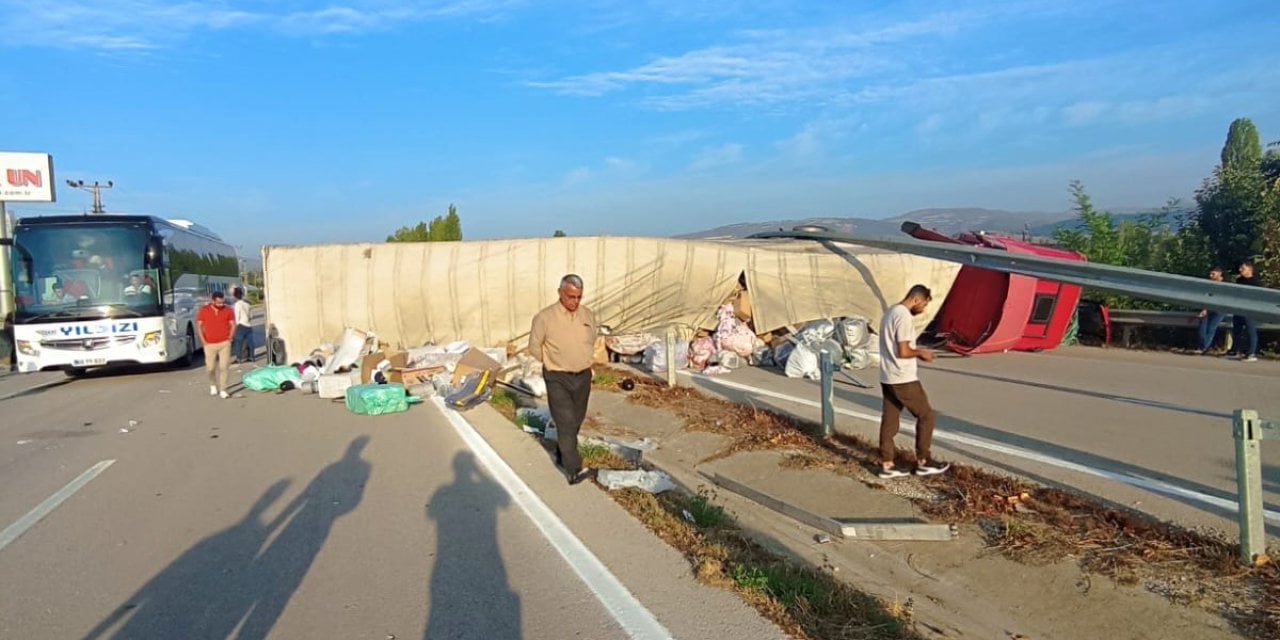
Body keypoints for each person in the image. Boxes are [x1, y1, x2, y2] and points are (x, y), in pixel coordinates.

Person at [528, 274, 598, 485]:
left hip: (583, 376)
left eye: (578, 297)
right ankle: (574, 469)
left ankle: (562, 452)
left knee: (576, 419)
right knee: (565, 421)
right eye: (570, 296)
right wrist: (551, 362)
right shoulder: (544, 318)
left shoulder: (587, 315)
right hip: (557, 376)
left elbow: (591, 339)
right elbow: (534, 347)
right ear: (560, 293)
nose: (574, 302)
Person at [877, 284, 949, 479]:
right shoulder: (903, 316)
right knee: (926, 416)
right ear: (916, 299)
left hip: (888, 376)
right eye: (924, 304)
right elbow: (904, 351)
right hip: (903, 378)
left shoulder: (890, 312)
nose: (923, 309)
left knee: (890, 421)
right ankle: (924, 461)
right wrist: (921, 353)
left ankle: (887, 464)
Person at [197, 291, 237, 398]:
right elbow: (199, 326)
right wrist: (203, 341)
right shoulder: (204, 310)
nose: (221, 305)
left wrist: (230, 337)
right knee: (210, 367)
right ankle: (213, 384)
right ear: (213, 301)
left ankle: (223, 388)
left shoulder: (228, 310)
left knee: (224, 367)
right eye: (218, 303)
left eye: (222, 302)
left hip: (224, 343)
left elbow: (233, 324)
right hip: (209, 344)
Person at [1227, 260, 1262, 362]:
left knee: (1250, 331)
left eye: (1243, 268)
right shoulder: (1239, 280)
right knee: (1236, 330)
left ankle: (1251, 353)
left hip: (1250, 309)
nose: (1240, 270)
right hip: (1239, 308)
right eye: (1240, 268)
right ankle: (1235, 351)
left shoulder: (1256, 282)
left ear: (1250, 269)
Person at [1196, 267, 1226, 354]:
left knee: (1211, 328)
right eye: (1210, 274)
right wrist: (1204, 308)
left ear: (1219, 274)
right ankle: (1204, 346)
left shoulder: (1225, 285)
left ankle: (1204, 347)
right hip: (1208, 308)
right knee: (1202, 328)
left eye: (1213, 274)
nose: (1210, 276)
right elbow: (1205, 297)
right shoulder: (1208, 284)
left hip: (1220, 309)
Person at [231, 287, 255, 364]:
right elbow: (251, 316)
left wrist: (236, 326)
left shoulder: (237, 305)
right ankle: (251, 357)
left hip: (241, 325)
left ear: (235, 296)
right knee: (250, 342)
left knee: (238, 343)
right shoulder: (247, 304)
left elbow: (236, 316)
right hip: (248, 325)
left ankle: (239, 358)